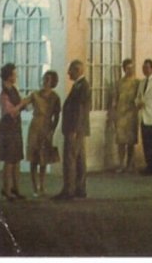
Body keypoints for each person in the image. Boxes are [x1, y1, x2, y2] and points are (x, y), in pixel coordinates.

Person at [53, 60, 91, 200]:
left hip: (74, 129)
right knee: (79, 158)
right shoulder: (79, 85)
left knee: (70, 158)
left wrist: (74, 129)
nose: (68, 73)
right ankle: (79, 188)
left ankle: (69, 189)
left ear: (78, 70)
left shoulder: (82, 86)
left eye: (71, 70)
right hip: (78, 128)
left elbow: (79, 110)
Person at [24, 70, 61, 197]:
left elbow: (56, 116)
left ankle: (42, 185)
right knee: (33, 159)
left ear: (53, 82)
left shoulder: (55, 97)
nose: (45, 82)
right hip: (35, 127)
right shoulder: (35, 95)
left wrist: (52, 130)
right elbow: (25, 103)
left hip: (46, 128)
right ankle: (35, 187)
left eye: (48, 80)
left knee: (43, 158)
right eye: (44, 79)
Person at [0, 63, 29, 200]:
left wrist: (25, 103)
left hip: (15, 127)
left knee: (16, 158)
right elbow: (10, 111)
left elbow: (21, 105)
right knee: (9, 159)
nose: (16, 76)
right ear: (9, 76)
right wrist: (22, 104)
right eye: (14, 74)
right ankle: (7, 189)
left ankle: (15, 188)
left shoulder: (14, 90)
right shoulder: (4, 92)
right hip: (8, 127)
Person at [108, 59, 139, 174]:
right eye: (128, 68)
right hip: (121, 115)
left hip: (131, 115)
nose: (130, 70)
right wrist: (113, 113)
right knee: (121, 141)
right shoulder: (119, 83)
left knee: (131, 142)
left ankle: (130, 164)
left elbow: (140, 98)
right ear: (124, 69)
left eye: (132, 67)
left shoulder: (137, 83)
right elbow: (114, 100)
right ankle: (121, 163)